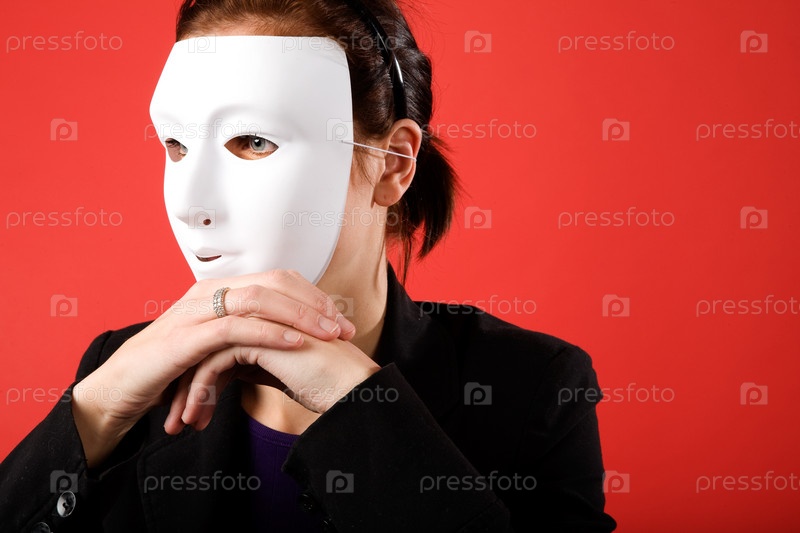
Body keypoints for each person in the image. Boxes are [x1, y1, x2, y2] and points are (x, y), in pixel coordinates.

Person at [0, 0, 617, 531]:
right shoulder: (120, 369)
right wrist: (94, 412)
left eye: (253, 141)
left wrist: (363, 407)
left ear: (394, 164)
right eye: (177, 145)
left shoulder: (530, 386)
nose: (192, 204)